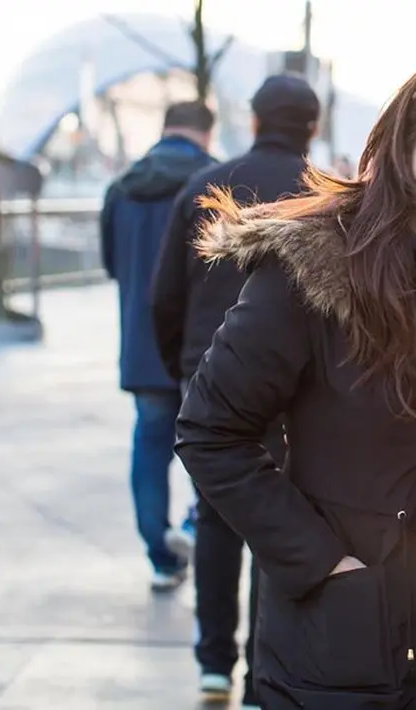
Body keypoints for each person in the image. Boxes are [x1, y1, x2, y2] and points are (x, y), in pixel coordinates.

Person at [173, 50, 416, 710]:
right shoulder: (315, 269)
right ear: (403, 146)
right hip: (337, 650)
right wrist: (323, 565)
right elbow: (211, 432)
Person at [151, 73, 321, 707]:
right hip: (298, 393)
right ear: (313, 125)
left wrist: (185, 370)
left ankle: (214, 664)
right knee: (279, 522)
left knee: (219, 521)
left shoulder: (203, 188)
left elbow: (165, 297)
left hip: (210, 381)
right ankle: (260, 677)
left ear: (252, 120)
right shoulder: (324, 195)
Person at [99, 101, 215, 592]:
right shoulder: (213, 183)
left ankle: (161, 556)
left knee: (149, 446)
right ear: (205, 134)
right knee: (212, 449)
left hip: (144, 348)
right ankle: (197, 530)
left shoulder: (120, 188)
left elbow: (111, 264)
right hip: (199, 348)